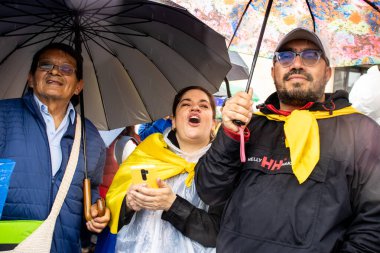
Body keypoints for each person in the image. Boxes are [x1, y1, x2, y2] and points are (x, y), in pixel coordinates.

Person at [195, 28, 380, 252]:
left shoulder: (361, 132)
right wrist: (229, 136)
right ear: (274, 71)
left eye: (311, 55)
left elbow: (373, 225)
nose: (297, 64)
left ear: (328, 72)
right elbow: (210, 191)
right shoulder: (248, 124)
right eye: (285, 56)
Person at [0, 43, 110, 252]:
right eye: (45, 65)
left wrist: (97, 211)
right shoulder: (3, 116)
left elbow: (91, 188)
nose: (55, 71)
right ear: (30, 79)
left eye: (67, 68)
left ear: (78, 86)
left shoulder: (90, 135)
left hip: (64, 246)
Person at [96, 86, 223, 253]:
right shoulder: (148, 151)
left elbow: (218, 233)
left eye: (204, 105)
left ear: (213, 123)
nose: (195, 108)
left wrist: (173, 204)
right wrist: (127, 204)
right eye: (186, 104)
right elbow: (113, 213)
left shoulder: (222, 167)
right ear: (174, 121)